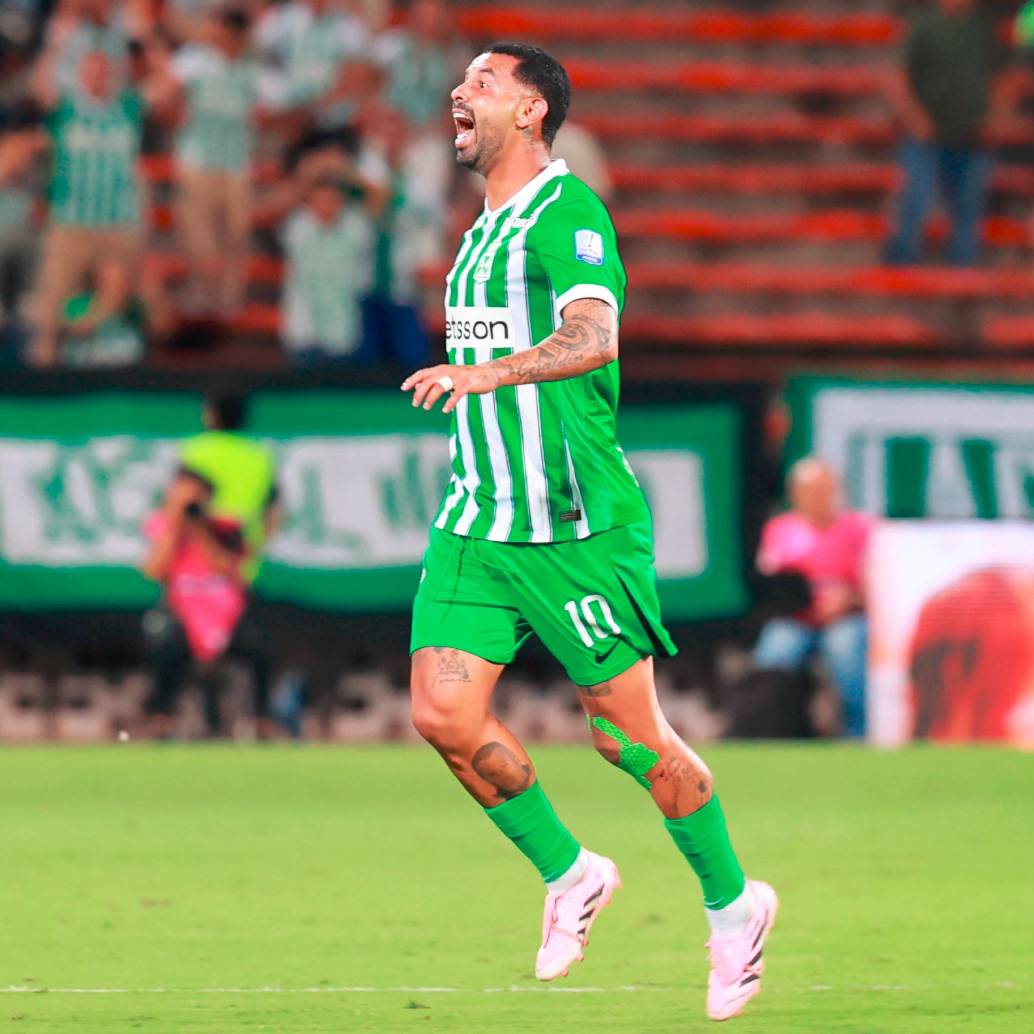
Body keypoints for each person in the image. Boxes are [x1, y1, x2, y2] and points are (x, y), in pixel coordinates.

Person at [400, 43, 777, 1023]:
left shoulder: (566, 213)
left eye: (483, 82)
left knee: (627, 739)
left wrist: (482, 374)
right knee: (441, 714)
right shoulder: (476, 233)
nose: (460, 92)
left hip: (571, 524)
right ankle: (569, 872)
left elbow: (592, 336)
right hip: (478, 518)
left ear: (530, 111)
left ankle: (734, 900)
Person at [140, 393, 281, 737]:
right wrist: (177, 526)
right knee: (164, 640)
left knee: (259, 642)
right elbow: (153, 569)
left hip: (227, 600)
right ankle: (162, 718)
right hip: (184, 604)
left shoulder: (220, 523)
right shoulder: (260, 456)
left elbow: (226, 566)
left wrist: (201, 529)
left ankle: (262, 720)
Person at [26, 47, 145, 366]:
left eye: (103, 72)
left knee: (114, 299)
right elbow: (39, 87)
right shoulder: (66, 110)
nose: (97, 78)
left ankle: (98, 362)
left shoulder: (127, 109)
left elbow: (167, 86)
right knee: (52, 302)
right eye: (91, 71)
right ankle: (43, 367)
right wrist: (58, 39)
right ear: (80, 75)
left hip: (116, 223)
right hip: (70, 222)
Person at [884, 0, 1011, 266]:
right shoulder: (923, 26)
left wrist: (994, 119)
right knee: (915, 203)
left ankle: (962, 280)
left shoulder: (983, 29)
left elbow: (1003, 79)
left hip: (972, 139)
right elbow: (897, 78)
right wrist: (916, 120)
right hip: (926, 140)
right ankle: (901, 271)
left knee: (968, 211)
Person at [754, 458, 872, 738]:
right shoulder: (779, 530)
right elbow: (768, 584)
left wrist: (850, 600)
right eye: (810, 491)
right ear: (795, 495)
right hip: (797, 620)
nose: (818, 498)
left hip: (848, 618)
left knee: (846, 649)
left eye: (825, 489)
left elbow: (883, 587)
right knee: (774, 653)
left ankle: (859, 735)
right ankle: (780, 733)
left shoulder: (862, 529)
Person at [256, 145, 381, 367]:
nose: (327, 206)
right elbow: (269, 209)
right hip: (303, 331)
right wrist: (309, 174)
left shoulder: (354, 226)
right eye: (321, 200)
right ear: (310, 202)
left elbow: (379, 201)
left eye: (333, 200)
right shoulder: (299, 226)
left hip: (343, 331)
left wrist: (347, 173)